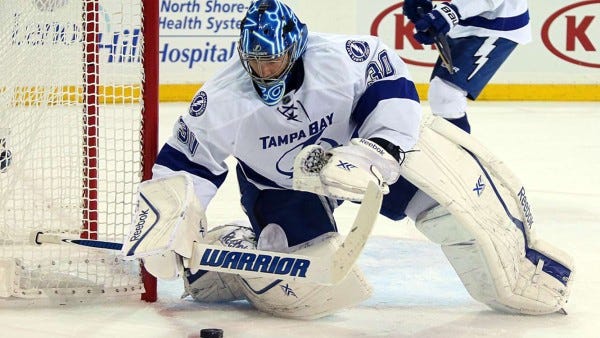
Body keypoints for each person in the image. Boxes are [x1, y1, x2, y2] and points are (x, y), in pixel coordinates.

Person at [133, 0, 572, 319]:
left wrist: (375, 152)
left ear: (297, 46)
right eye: (255, 62)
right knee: (306, 295)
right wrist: (170, 223)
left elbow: (396, 91)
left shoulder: (344, 59)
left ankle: (520, 269)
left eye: (273, 61)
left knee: (452, 208)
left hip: (356, 158)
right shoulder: (221, 99)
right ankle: (228, 260)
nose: (264, 72)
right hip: (281, 185)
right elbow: (185, 165)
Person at [402, 0, 531, 133]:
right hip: (463, 22)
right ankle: (452, 151)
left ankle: (462, 152)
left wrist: (452, 12)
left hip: (497, 22)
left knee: (446, 93)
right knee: (441, 93)